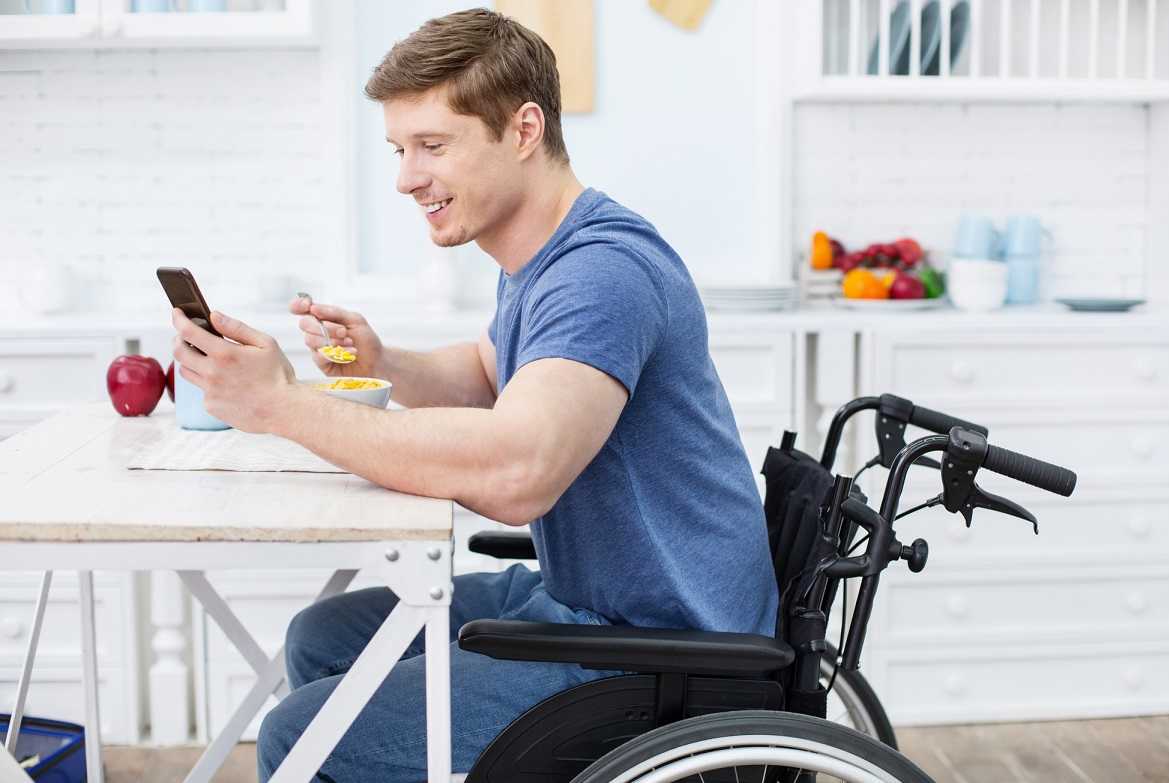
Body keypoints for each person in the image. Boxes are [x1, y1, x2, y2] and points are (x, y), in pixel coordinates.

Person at [168, 8, 776, 781]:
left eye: (432, 145)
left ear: (523, 130)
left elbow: (517, 471)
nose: (405, 176)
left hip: (661, 651)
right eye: (398, 148)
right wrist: (381, 358)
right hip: (593, 606)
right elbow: (493, 377)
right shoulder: (543, 256)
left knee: (303, 731)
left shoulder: (601, 274)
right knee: (323, 637)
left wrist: (279, 403)